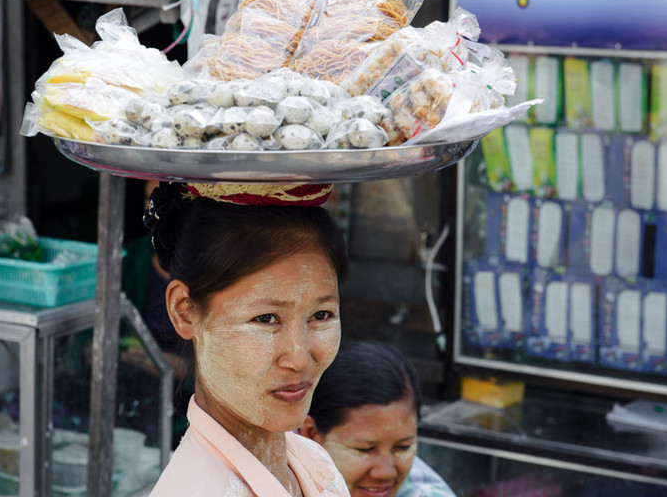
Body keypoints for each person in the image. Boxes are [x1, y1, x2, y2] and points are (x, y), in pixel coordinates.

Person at [146, 181, 351, 496]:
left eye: (321, 315)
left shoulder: (313, 461)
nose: (298, 358)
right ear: (184, 311)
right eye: (266, 319)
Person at [299, 341, 456, 497]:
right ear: (311, 434)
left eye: (403, 447)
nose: (385, 473)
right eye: (365, 450)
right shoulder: (281, 482)